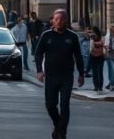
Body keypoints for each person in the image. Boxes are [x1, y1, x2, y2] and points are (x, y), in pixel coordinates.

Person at [35, 10, 84, 139]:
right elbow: (38, 53)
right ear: (53, 20)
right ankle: (58, 125)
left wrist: (81, 74)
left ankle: (62, 133)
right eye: (57, 19)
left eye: (62, 19)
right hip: (50, 76)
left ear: (66, 20)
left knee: (64, 104)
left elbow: (78, 56)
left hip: (66, 76)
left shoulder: (72, 37)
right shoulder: (46, 36)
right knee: (50, 105)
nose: (59, 22)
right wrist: (39, 70)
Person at [88, 27, 106, 93]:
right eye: (92, 32)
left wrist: (95, 44)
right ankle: (96, 86)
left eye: (93, 31)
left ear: (96, 31)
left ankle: (100, 87)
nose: (92, 33)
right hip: (93, 56)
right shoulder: (91, 38)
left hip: (100, 56)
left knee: (100, 72)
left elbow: (103, 44)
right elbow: (91, 47)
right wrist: (92, 39)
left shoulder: (102, 37)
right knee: (94, 72)